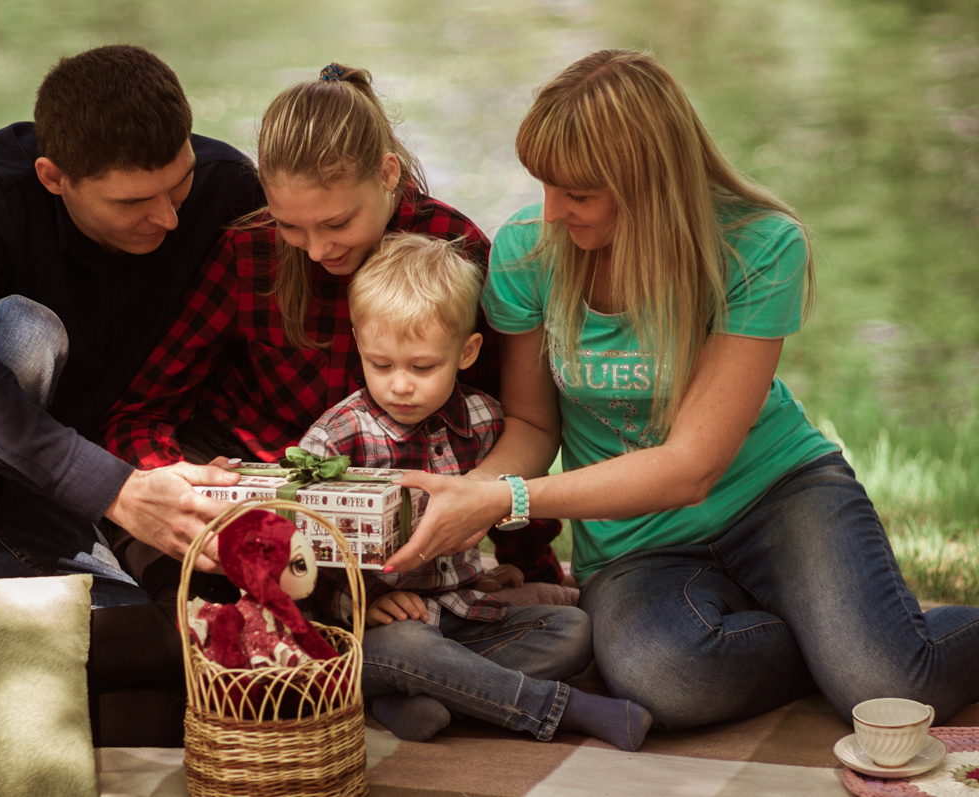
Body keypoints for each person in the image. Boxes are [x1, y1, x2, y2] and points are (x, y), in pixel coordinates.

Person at [385, 49, 979, 731]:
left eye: (578, 193)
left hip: (778, 495)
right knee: (667, 677)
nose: (551, 213)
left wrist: (505, 498)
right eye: (545, 185)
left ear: (649, 183)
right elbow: (531, 425)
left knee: (888, 684)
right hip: (636, 545)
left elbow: (693, 466)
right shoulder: (528, 253)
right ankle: (829, 634)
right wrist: (466, 497)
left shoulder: (759, 248)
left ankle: (856, 643)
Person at [0, 44, 265, 745]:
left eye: (177, 187)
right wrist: (118, 490)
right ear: (53, 177)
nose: (170, 219)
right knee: (25, 331)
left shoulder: (227, 187)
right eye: (134, 202)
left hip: (43, 498)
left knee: (148, 648)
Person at [100, 63, 562, 597]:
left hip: (393, 519)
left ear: (388, 174)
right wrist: (177, 481)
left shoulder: (454, 251)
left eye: (337, 224)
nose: (317, 251)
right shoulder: (250, 252)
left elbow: (498, 426)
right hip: (268, 497)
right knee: (191, 589)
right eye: (291, 225)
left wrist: (526, 561)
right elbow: (141, 412)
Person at [298, 233, 652, 748]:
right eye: (381, 364)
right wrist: (356, 606)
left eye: (422, 367)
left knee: (572, 631)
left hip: (461, 616)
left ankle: (419, 699)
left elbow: (507, 501)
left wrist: (501, 573)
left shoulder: (485, 421)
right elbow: (299, 550)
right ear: (359, 344)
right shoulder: (338, 438)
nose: (400, 384)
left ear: (467, 352)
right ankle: (555, 708)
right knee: (411, 648)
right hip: (375, 636)